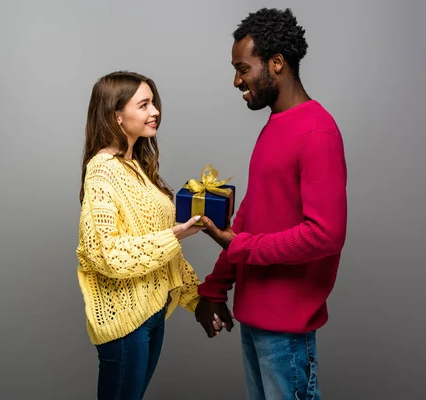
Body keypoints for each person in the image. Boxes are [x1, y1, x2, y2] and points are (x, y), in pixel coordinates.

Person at [194, 8, 348, 400]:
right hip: (255, 320)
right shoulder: (275, 126)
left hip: (288, 332)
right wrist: (215, 286)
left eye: (243, 68)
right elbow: (250, 215)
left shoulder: (317, 131)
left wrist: (239, 246)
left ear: (276, 63)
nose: (236, 80)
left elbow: (325, 235)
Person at [76, 71, 211, 400]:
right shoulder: (103, 170)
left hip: (152, 315)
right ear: (117, 115)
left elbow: (164, 255)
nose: (155, 112)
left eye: (154, 103)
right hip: (126, 322)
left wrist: (198, 299)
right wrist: (176, 233)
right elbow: (109, 254)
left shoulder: (137, 167)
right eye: (144, 104)